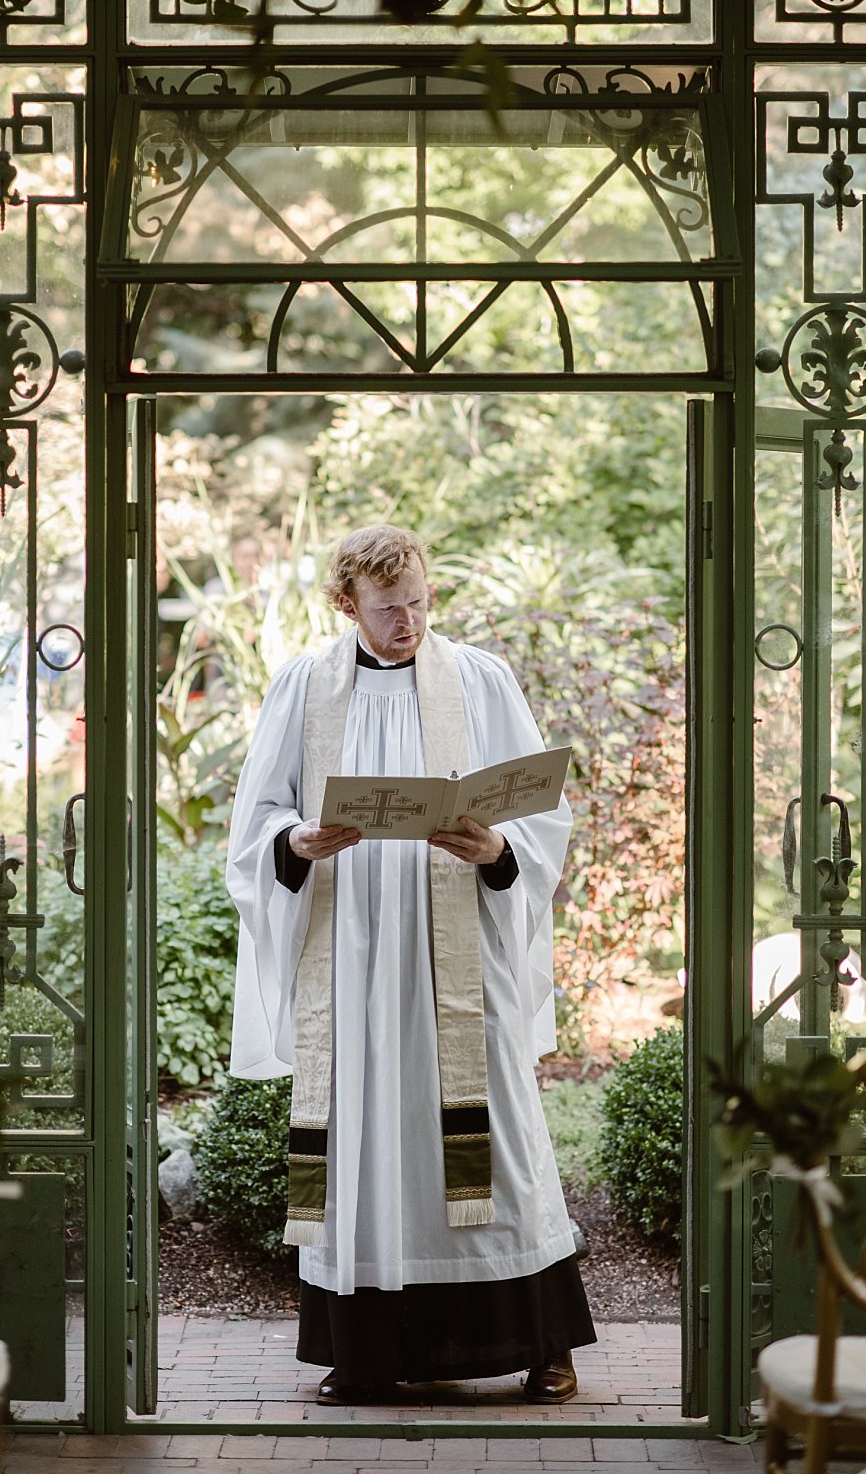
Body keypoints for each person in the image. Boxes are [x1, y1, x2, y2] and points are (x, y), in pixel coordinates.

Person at [222, 524, 595, 1406]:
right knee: (367, 1143)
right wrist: (298, 840)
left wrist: (498, 845)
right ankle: (369, 1354)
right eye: (391, 610)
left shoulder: (480, 679)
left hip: (460, 957)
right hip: (352, 960)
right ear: (346, 604)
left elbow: (546, 813)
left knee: (500, 1139)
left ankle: (543, 1343)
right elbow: (255, 824)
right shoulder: (304, 687)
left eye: (421, 603)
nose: (410, 624)